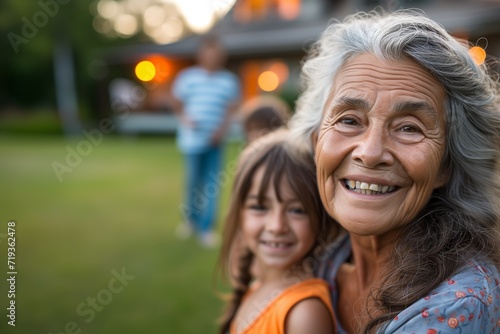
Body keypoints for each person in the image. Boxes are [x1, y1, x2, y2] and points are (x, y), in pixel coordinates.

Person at [290, 10, 500, 333]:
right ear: (318, 140)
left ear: (445, 163)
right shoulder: (321, 255)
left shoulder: (456, 307)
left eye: (408, 128)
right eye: (349, 120)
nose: (370, 153)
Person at [218, 130, 339, 334]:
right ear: (239, 214)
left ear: (320, 220)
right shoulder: (257, 286)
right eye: (259, 207)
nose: (276, 226)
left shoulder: (303, 313)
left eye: (297, 210)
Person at [171, 36, 241, 247]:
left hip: (215, 142)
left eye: (216, 54)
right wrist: (184, 118)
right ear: (201, 55)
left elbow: (231, 109)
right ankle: (190, 222)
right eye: (208, 53)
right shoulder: (187, 78)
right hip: (192, 141)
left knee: (212, 186)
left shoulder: (228, 81)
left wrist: (221, 131)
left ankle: (206, 228)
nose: (212, 57)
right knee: (193, 183)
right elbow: (176, 101)